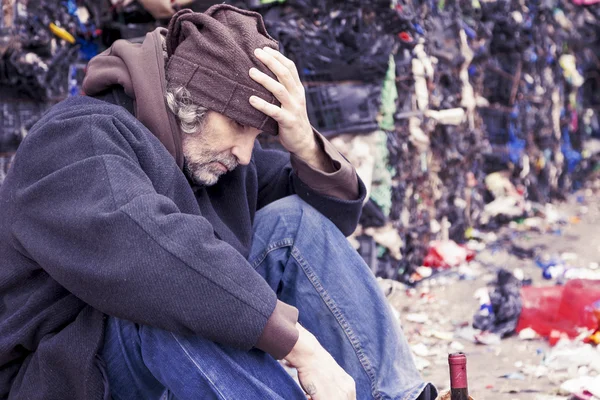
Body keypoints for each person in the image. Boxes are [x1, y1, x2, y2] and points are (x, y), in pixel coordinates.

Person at [0, 5, 436, 400]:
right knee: (178, 301)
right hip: (61, 377)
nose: (246, 154)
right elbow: (156, 262)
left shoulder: (209, 159)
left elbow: (328, 225)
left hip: (140, 364)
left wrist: (305, 145)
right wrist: (302, 348)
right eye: (237, 127)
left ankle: (400, 396)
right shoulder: (79, 136)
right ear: (189, 102)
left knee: (292, 223)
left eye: (256, 136)